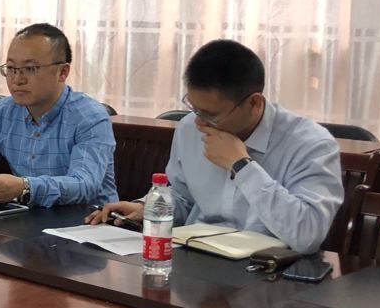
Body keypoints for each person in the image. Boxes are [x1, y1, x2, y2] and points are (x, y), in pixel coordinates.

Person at [87, 39, 342, 253]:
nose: (199, 122)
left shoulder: (311, 144)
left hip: (269, 270)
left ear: (254, 104)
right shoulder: (189, 128)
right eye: (194, 108)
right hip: (195, 257)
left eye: (211, 115)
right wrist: (148, 208)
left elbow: (307, 235)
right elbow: (183, 198)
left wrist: (242, 166)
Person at [0, 24, 117, 207]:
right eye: (11, 68)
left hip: (88, 220)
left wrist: (25, 187)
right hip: (29, 216)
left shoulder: (90, 117)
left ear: (62, 72)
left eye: (31, 68)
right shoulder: (2, 111)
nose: (17, 79)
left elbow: (84, 185)